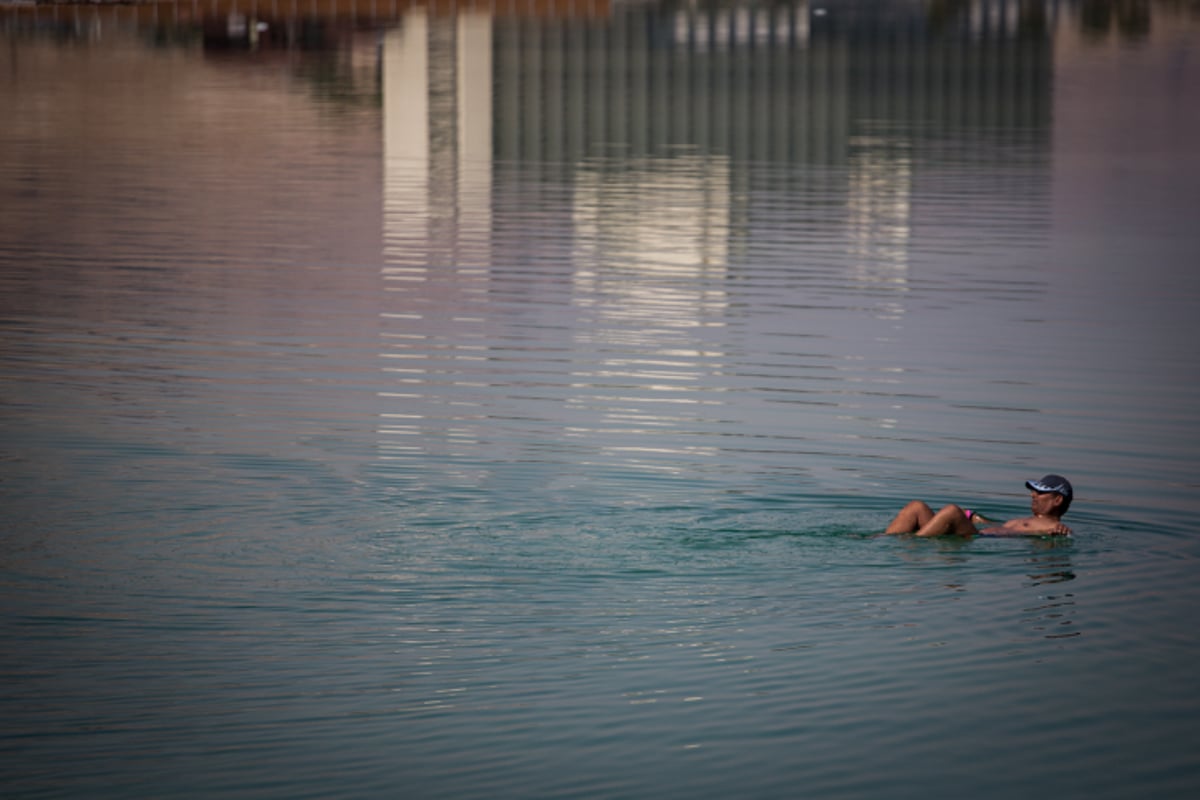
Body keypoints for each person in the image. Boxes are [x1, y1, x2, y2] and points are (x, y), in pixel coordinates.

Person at [884, 474, 1073, 537]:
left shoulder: (1053, 527)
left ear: (1057, 500)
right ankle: (882, 540)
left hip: (978, 541)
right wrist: (974, 517)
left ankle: (915, 542)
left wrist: (1060, 532)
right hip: (978, 533)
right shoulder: (1026, 520)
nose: (1033, 495)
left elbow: (1054, 547)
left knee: (951, 511)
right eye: (1033, 491)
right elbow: (1000, 526)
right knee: (917, 507)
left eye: (1040, 492)